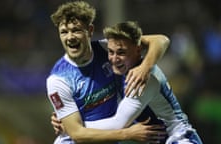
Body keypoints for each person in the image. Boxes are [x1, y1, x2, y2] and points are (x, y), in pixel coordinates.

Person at [46, 1, 169, 143]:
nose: (70, 37)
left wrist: (144, 67)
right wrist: (127, 134)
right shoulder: (58, 79)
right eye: (64, 32)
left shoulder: (107, 49)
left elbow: (161, 40)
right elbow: (77, 134)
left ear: (90, 30)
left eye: (76, 30)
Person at [82, 21, 203, 144]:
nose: (114, 59)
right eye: (111, 52)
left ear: (138, 50)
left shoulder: (141, 80)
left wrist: (73, 125)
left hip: (179, 138)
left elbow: (118, 123)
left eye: (121, 53)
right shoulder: (123, 64)